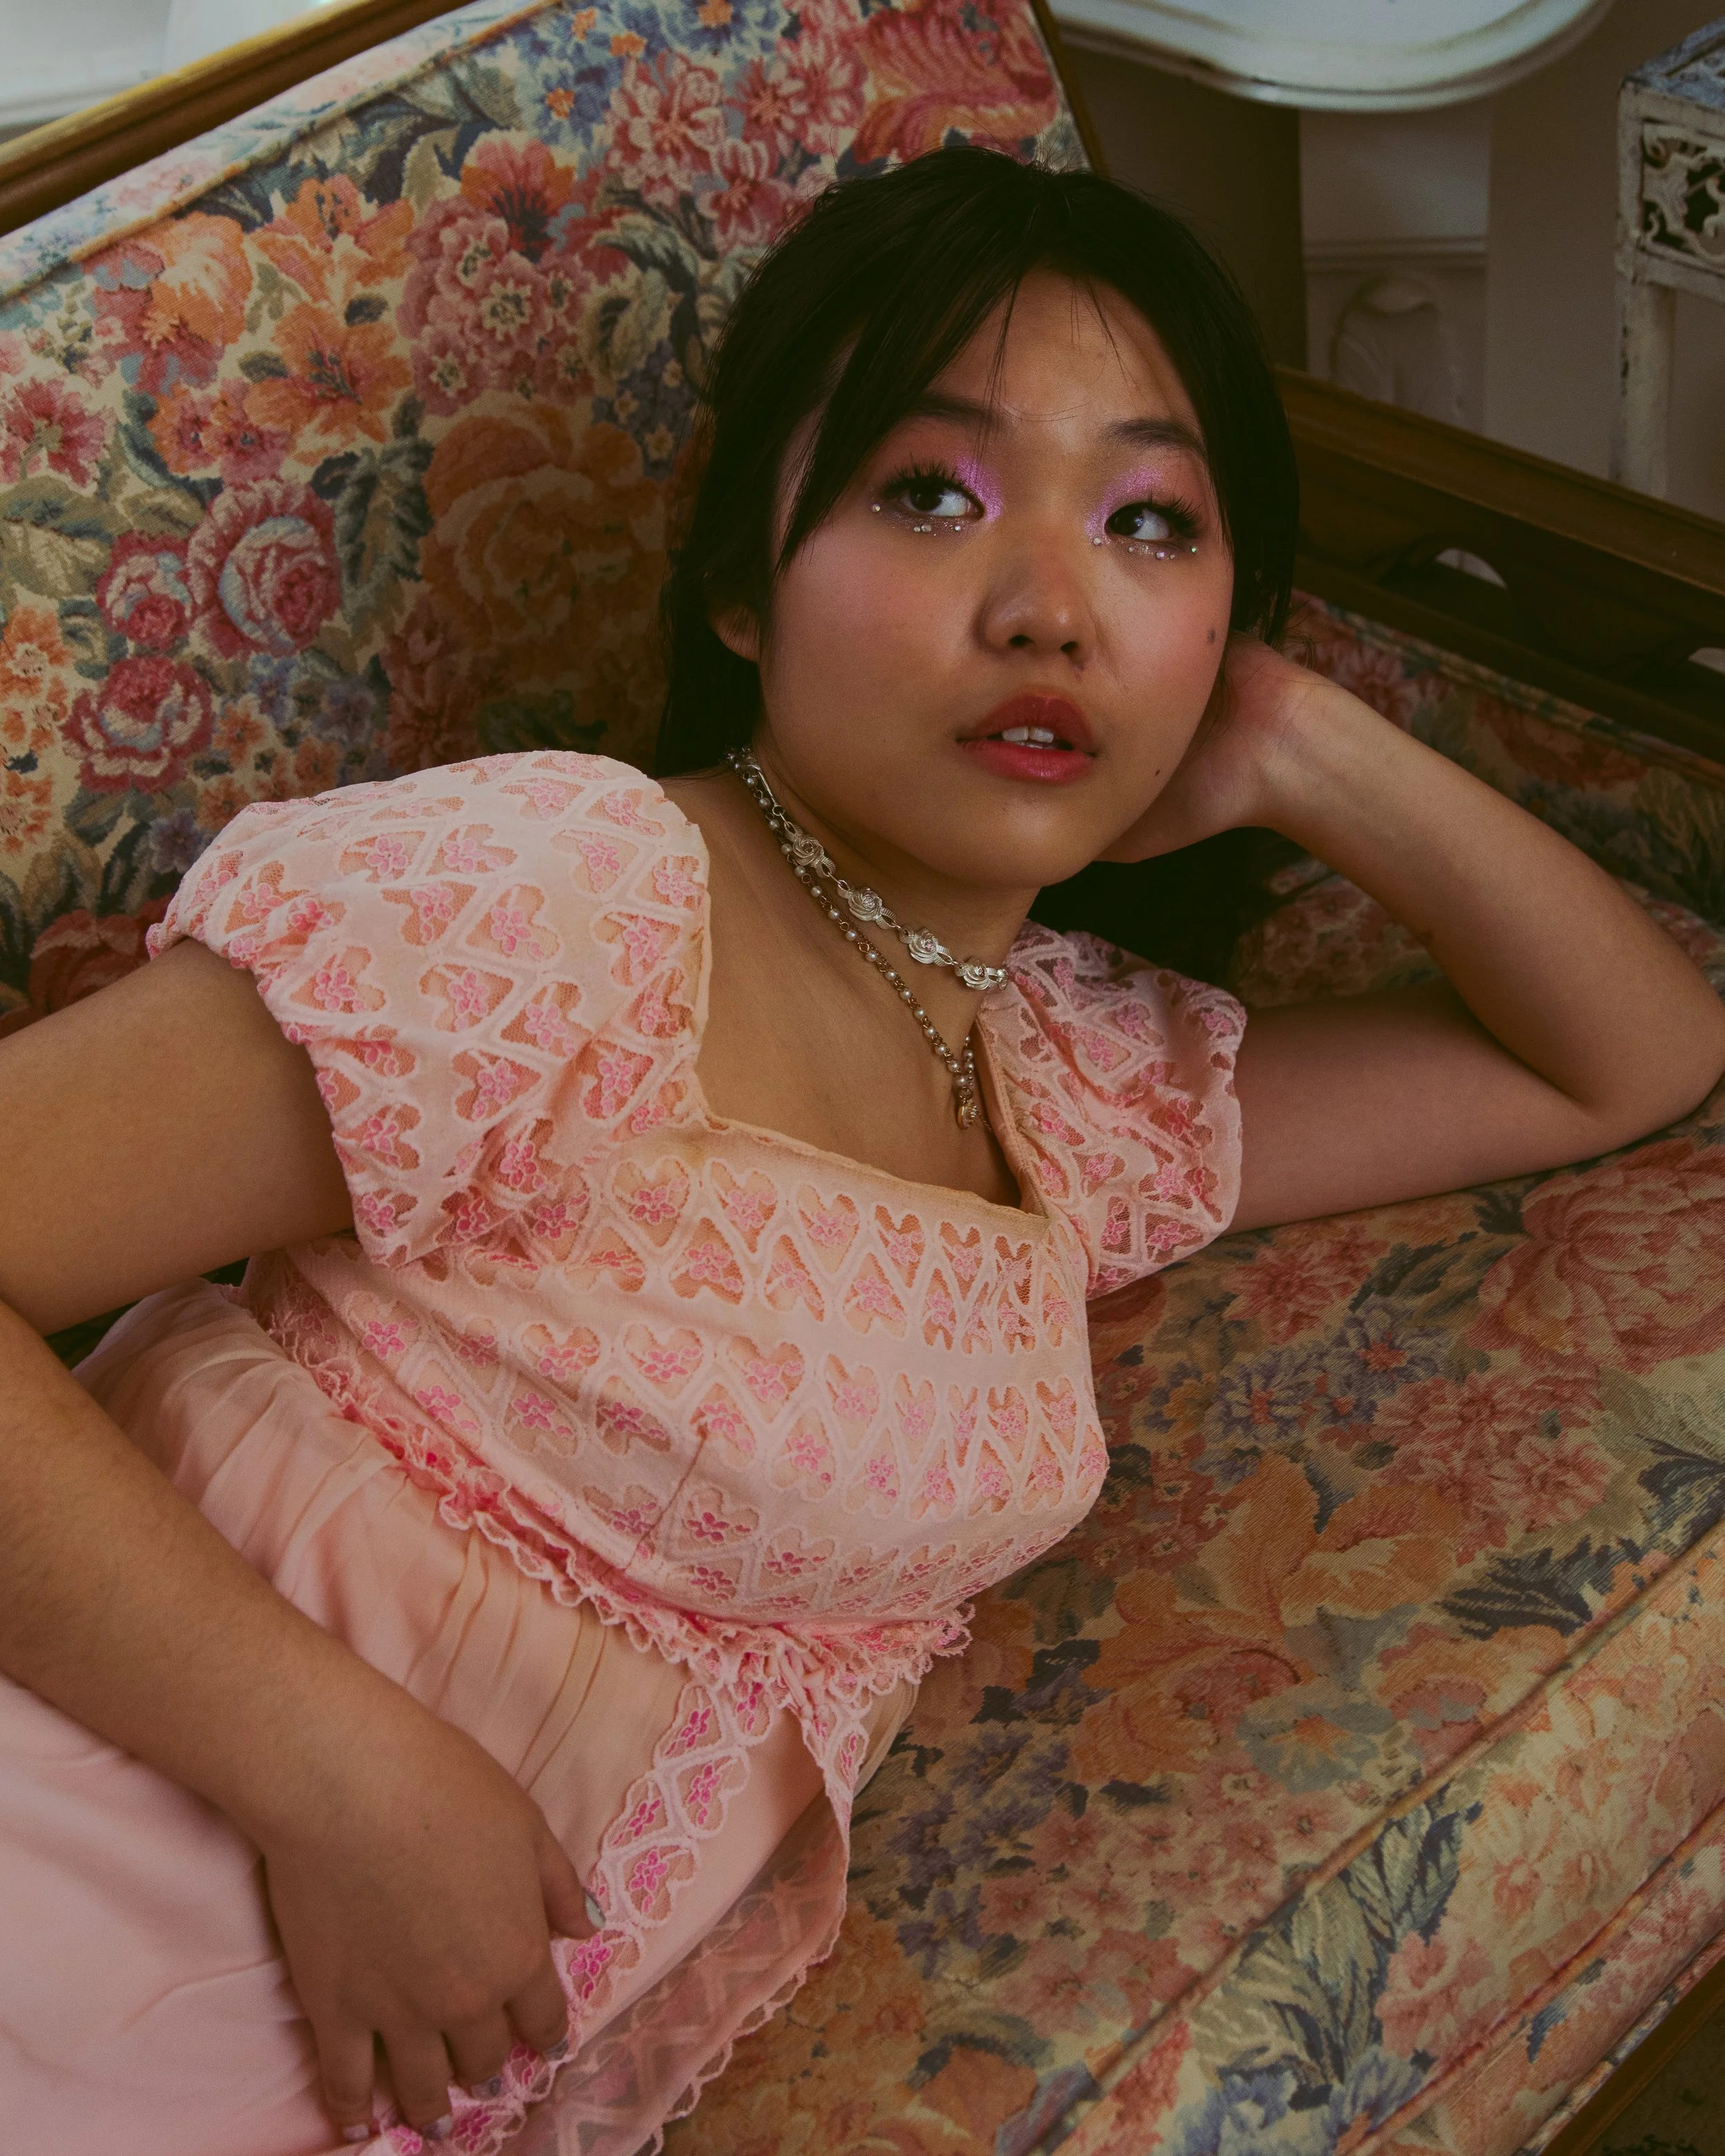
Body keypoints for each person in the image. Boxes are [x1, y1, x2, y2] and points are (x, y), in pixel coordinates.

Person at [2, 146, 1721, 2156]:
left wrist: (1299, 740)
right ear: (745, 579)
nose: (1050, 609)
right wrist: (336, 1775)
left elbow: (1631, 1055)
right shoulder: (566, 899)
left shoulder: (1074, 1077)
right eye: (931, 492)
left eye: (1151, 525)